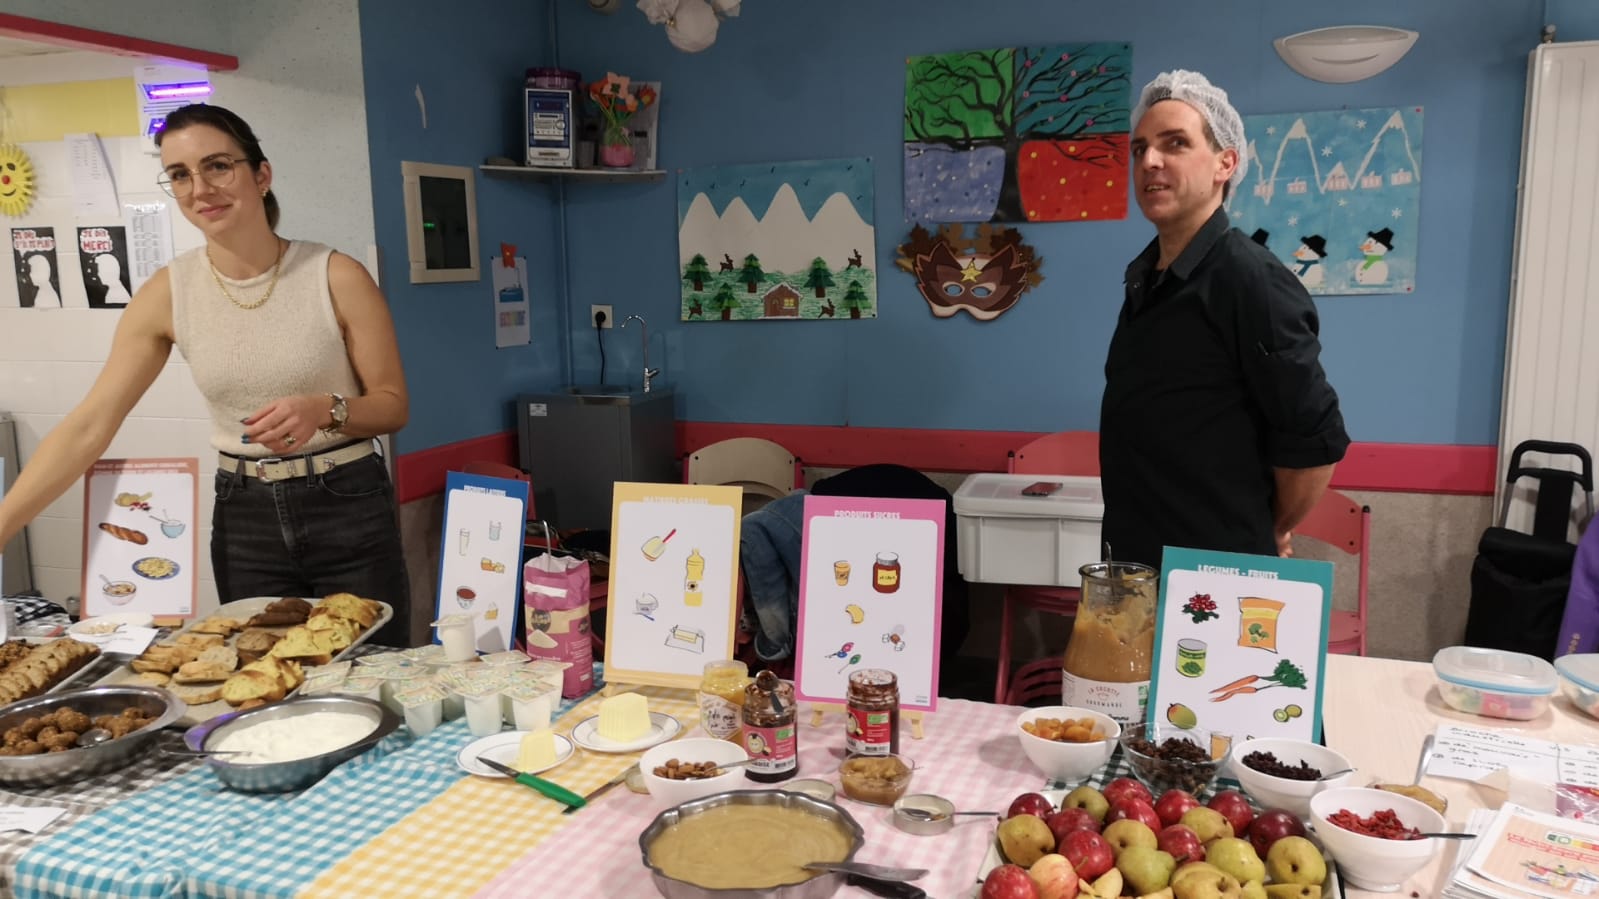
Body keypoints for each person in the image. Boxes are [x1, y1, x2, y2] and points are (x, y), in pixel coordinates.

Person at [0, 103, 412, 646]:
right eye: (179, 174)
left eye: (218, 165)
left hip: (347, 501)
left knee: (370, 666)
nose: (200, 188)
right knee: (260, 681)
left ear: (261, 175)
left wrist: (327, 410)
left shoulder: (334, 275)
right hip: (245, 515)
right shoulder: (167, 294)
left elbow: (392, 405)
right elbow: (90, 424)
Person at [1099, 70, 1349, 572]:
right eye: (1140, 148)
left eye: (1175, 144)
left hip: (1212, 578)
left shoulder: (1248, 279)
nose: (1150, 161)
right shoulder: (1148, 280)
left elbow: (1315, 441)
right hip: (1137, 562)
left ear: (1224, 163)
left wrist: (1269, 527)